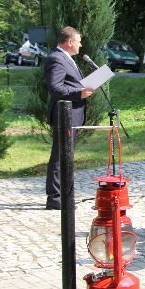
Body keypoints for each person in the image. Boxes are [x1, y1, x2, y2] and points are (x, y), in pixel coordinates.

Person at [45, 26, 95, 210]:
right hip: (63, 115)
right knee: (60, 157)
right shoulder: (56, 58)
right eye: (79, 41)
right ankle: (55, 198)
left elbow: (68, 83)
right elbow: (55, 88)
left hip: (72, 114)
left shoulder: (67, 59)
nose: (81, 45)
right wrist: (79, 92)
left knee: (67, 156)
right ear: (70, 42)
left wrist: (87, 86)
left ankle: (64, 194)